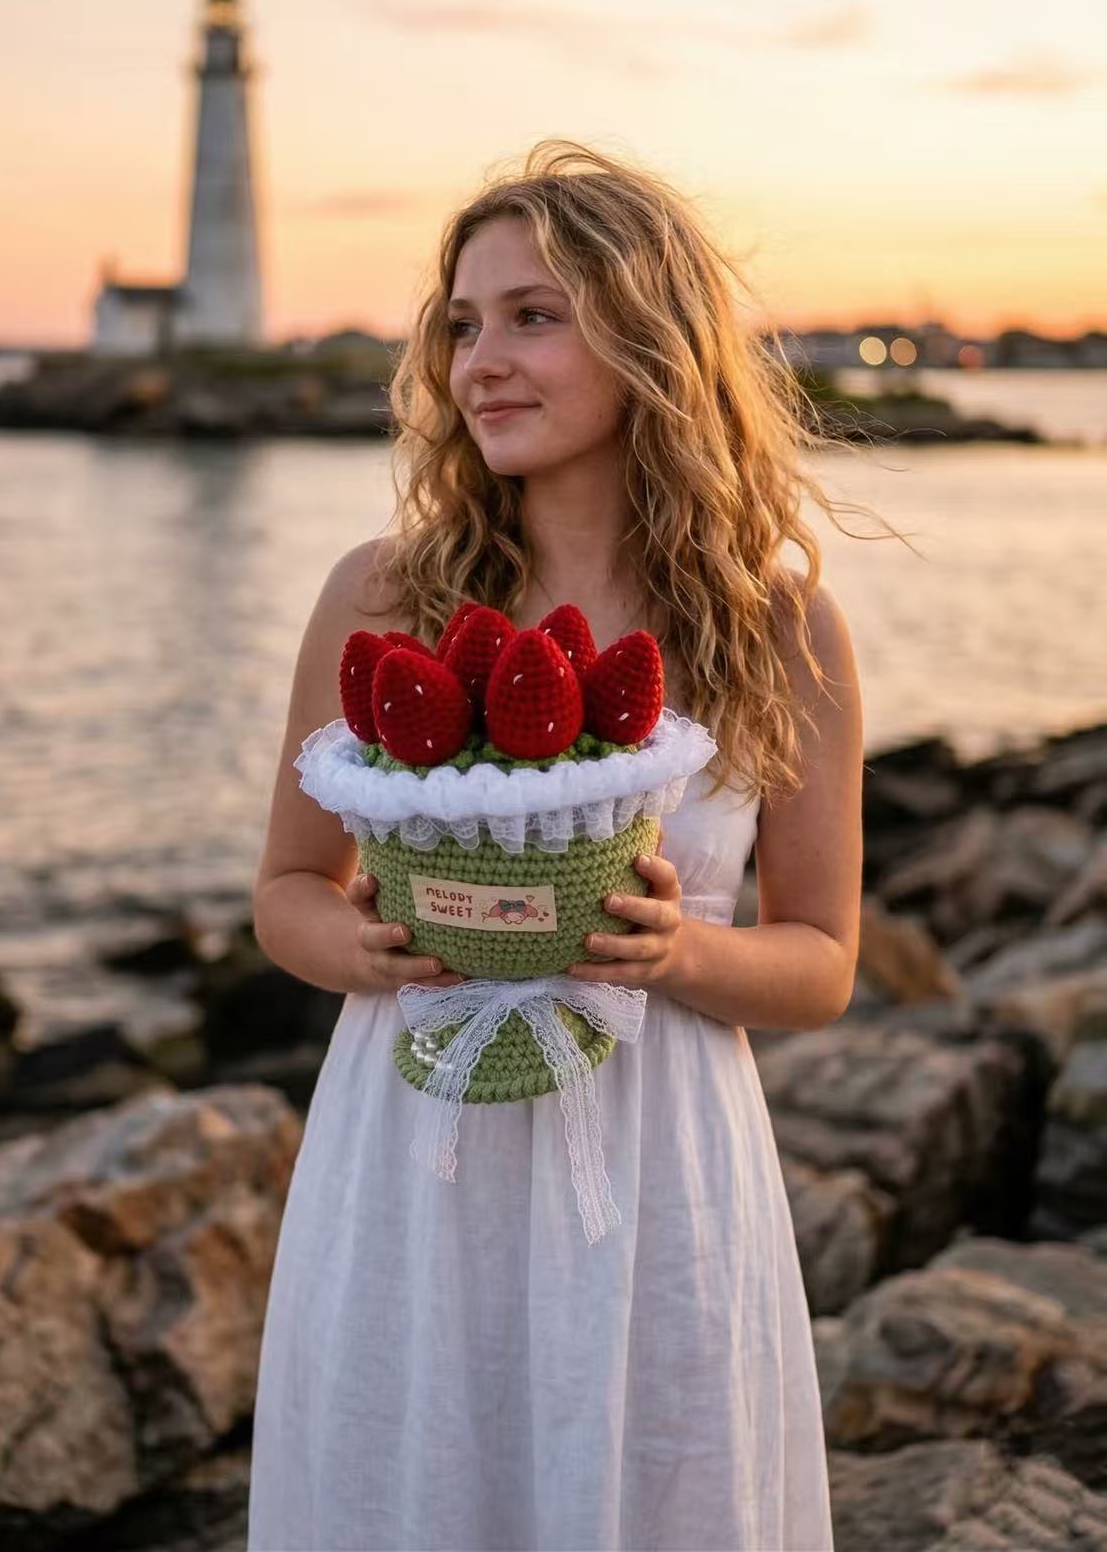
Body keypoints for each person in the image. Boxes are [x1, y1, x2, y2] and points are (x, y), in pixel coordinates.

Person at [246, 138, 873, 1551]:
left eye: (536, 314)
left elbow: (823, 960)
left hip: (661, 1178)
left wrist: (679, 946)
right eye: (464, 325)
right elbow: (286, 893)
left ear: (653, 339)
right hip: (412, 1159)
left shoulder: (779, 628)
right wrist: (361, 943)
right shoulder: (384, 594)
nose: (483, 361)